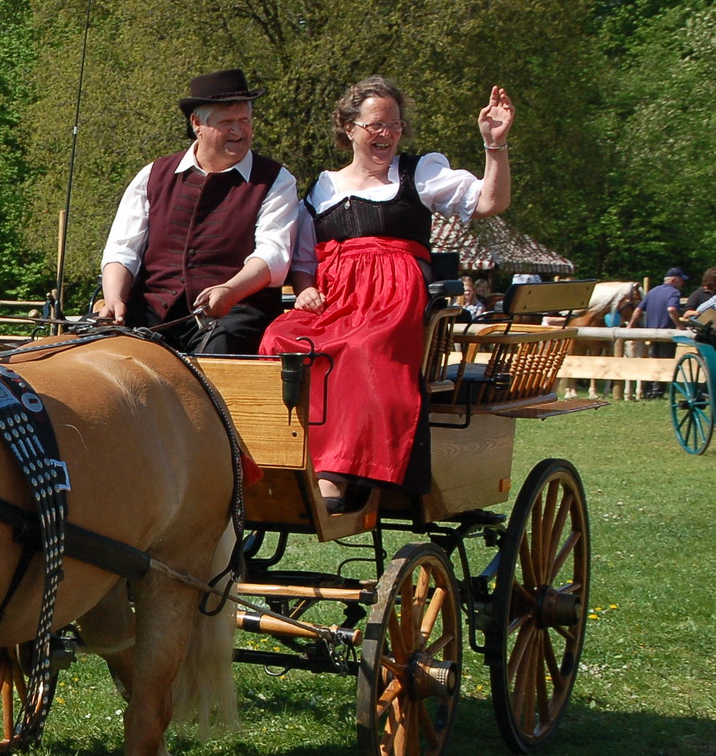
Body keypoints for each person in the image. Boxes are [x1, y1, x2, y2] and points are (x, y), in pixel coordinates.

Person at [259, 76, 513, 512]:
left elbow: (490, 202)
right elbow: (304, 262)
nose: (387, 133)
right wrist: (304, 292)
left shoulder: (420, 172)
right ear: (349, 127)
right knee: (279, 341)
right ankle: (285, 461)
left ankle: (339, 472)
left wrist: (494, 145)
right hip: (335, 295)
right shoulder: (320, 190)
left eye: (394, 125)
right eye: (376, 124)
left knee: (362, 348)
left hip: (394, 294)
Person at [97, 69, 299, 354]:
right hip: (153, 312)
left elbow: (272, 255)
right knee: (93, 350)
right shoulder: (153, 175)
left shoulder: (276, 180)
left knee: (220, 351)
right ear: (196, 124)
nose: (239, 131)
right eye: (227, 122)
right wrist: (115, 298)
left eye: (244, 121)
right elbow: (122, 250)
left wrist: (230, 291)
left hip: (234, 314)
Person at [632, 267, 684, 398]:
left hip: (651, 333)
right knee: (665, 362)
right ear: (673, 280)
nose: (682, 283)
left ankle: (647, 391)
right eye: (681, 280)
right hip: (666, 334)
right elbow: (672, 309)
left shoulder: (652, 291)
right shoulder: (674, 293)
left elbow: (638, 310)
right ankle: (657, 392)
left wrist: (630, 327)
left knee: (652, 361)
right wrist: (679, 326)